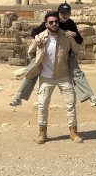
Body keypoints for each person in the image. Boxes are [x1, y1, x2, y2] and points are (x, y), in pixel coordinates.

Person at [9, 2, 96, 107]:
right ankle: (18, 97)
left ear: (70, 13)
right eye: (62, 13)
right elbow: (35, 31)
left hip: (65, 56)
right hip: (46, 54)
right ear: (58, 13)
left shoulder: (70, 23)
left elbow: (80, 40)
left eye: (67, 13)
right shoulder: (53, 20)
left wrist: (74, 34)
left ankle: (91, 97)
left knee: (77, 74)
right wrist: (37, 38)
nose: (64, 15)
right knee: (31, 71)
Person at [26, 10, 84, 144]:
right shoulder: (40, 36)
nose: (54, 24)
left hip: (64, 75)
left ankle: (73, 132)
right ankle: (42, 133)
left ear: (59, 23)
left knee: (70, 105)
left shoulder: (66, 36)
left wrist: (73, 37)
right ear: (46, 24)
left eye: (56, 22)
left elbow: (77, 50)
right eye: (51, 22)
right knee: (42, 105)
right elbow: (30, 52)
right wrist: (36, 43)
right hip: (46, 77)